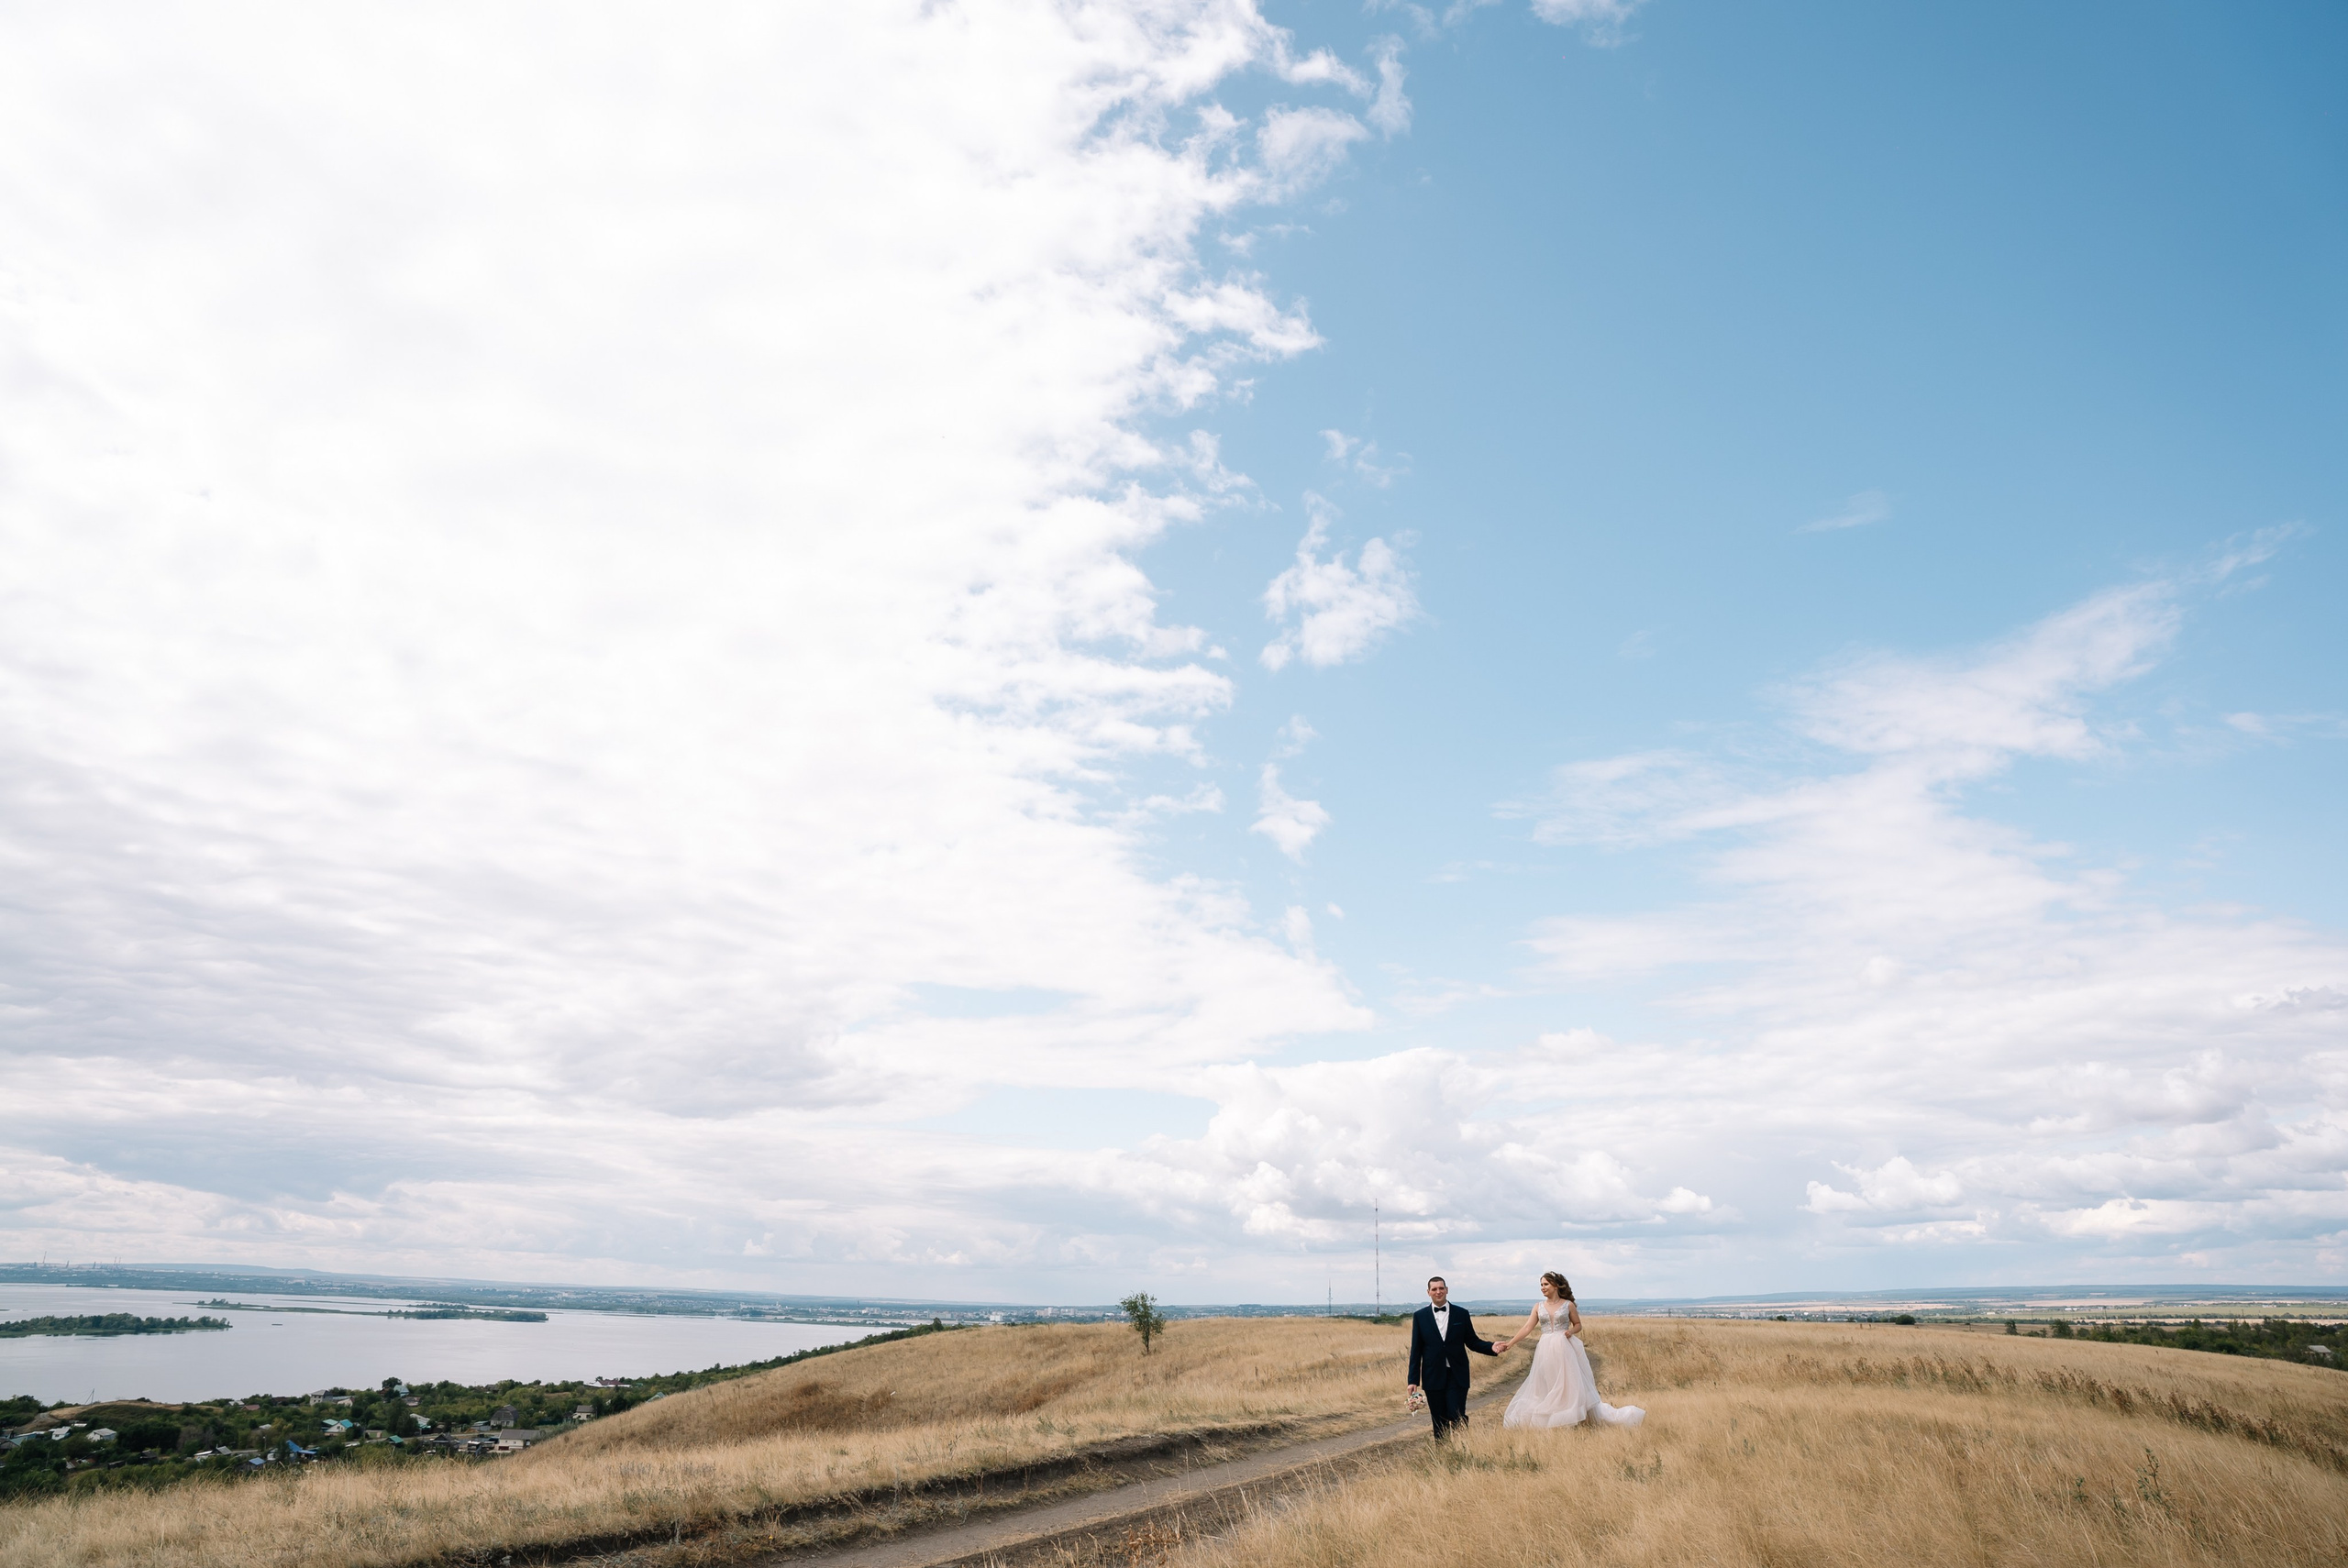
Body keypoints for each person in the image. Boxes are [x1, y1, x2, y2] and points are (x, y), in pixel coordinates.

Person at [1494, 1270, 1644, 1428]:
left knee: (1567, 1384)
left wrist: (1570, 1332)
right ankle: (1551, 1419)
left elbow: (1578, 1325)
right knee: (1547, 1383)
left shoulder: (1568, 1305)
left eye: (1546, 1284)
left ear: (1556, 1286)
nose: (1542, 1288)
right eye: (1541, 1285)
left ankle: (1571, 1420)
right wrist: (1510, 1344)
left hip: (1563, 1347)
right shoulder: (1538, 1306)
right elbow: (1527, 1328)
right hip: (1545, 1349)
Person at [1404, 1275, 1501, 1439]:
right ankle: (1443, 1455)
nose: (1438, 1291)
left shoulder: (1461, 1314)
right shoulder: (1420, 1316)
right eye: (1434, 1289)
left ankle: (1462, 1447)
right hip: (1432, 1376)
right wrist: (1413, 1380)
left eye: (1441, 1288)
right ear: (1428, 1292)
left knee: (1456, 1413)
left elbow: (1472, 1341)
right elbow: (1416, 1350)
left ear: (1447, 1290)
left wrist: (1491, 1347)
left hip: (1457, 1374)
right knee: (1439, 1419)